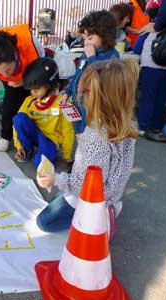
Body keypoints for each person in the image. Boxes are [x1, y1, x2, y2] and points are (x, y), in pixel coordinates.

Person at [36, 59, 139, 240]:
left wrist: (56, 180)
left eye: (84, 92)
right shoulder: (124, 123)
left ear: (97, 97)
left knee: (44, 221)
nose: (80, 98)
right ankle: (108, 210)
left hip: (93, 201)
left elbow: (91, 185)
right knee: (57, 200)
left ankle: (99, 221)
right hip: (112, 194)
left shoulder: (96, 135)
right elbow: (112, 162)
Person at [0, 24, 45, 161]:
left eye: (7, 70)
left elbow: (41, 65)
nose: (5, 75)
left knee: (36, 106)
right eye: (0, 72)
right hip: (14, 82)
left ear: (15, 55)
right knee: (9, 105)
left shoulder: (31, 44)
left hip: (32, 70)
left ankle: (39, 140)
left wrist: (25, 82)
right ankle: (6, 136)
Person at [61, 10, 120, 135]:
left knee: (91, 135)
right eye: (84, 39)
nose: (86, 42)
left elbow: (102, 79)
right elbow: (78, 74)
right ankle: (82, 152)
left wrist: (92, 58)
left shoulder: (112, 57)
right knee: (79, 134)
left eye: (90, 38)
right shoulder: (86, 54)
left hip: (95, 107)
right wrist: (68, 92)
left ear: (105, 36)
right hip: (79, 102)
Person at [12, 57, 74, 168]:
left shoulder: (64, 102)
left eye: (37, 88)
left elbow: (67, 130)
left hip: (50, 140)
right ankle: (27, 149)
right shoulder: (29, 101)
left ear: (50, 85)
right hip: (35, 135)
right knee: (18, 118)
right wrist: (19, 146)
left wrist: (67, 154)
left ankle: (43, 153)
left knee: (40, 164)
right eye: (31, 89)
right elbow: (17, 125)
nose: (33, 92)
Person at [133, 0, 166, 143]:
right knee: (161, 98)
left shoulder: (149, 28)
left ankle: (143, 126)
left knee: (148, 97)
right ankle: (156, 127)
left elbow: (137, 49)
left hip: (150, 66)